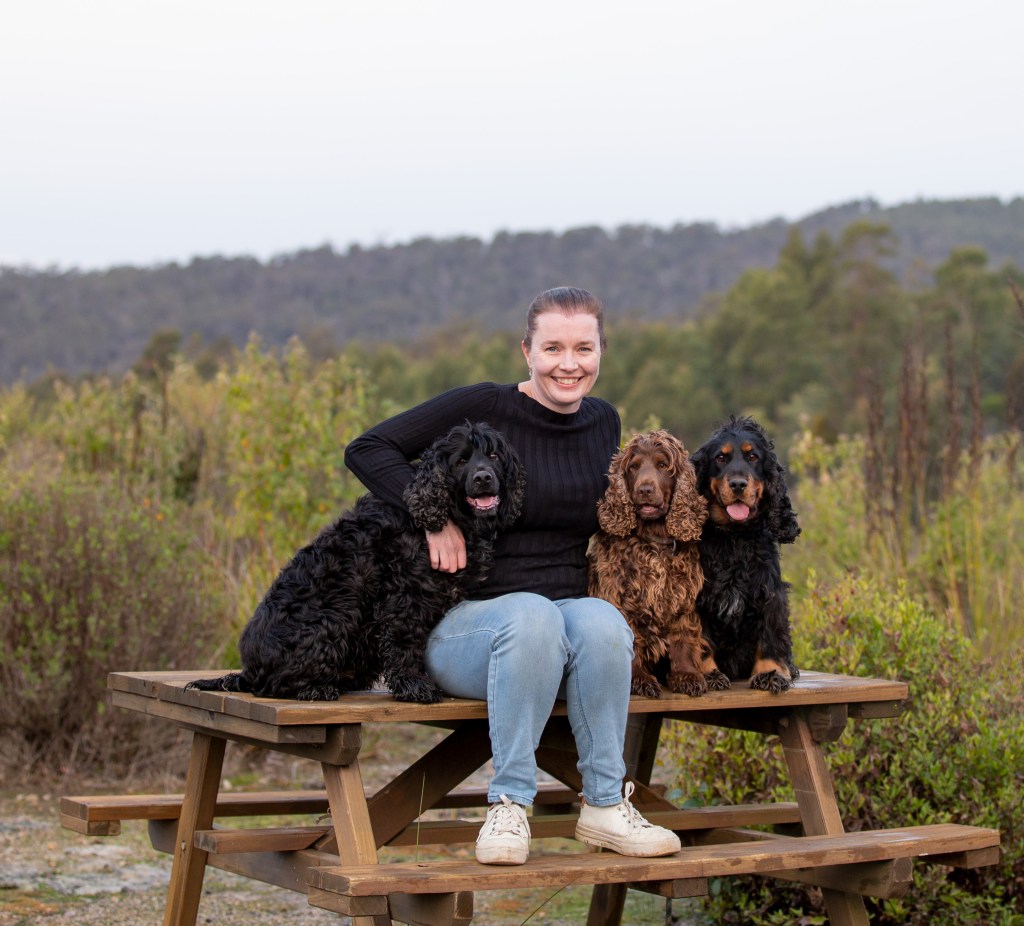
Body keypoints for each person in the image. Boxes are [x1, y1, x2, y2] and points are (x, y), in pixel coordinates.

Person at [344, 286, 681, 865]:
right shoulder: (485, 407)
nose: (568, 364)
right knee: (530, 615)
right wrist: (434, 519)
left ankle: (605, 806)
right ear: (526, 351)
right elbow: (368, 448)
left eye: (583, 348)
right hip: (466, 629)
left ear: (601, 352)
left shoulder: (603, 422)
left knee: (604, 622)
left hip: (563, 630)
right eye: (553, 348)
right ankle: (509, 806)